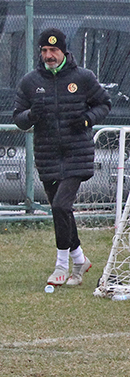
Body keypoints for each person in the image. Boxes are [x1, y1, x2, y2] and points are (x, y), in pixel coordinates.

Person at [14, 28, 111, 288]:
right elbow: (18, 117)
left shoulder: (83, 77)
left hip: (76, 153)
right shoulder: (30, 82)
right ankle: (79, 258)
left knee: (59, 206)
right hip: (47, 155)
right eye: (44, 51)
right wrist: (31, 116)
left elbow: (104, 103)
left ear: (64, 51)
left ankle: (61, 265)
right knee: (62, 210)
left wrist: (88, 119)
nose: (49, 55)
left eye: (53, 51)